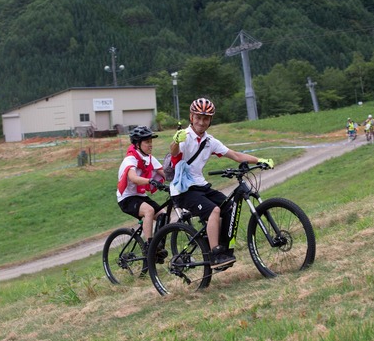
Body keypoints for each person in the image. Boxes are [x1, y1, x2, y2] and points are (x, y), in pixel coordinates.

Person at [169, 98, 273, 269]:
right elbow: (174, 152)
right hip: (183, 189)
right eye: (198, 118)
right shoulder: (185, 137)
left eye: (206, 118)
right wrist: (175, 141)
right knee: (214, 210)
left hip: (200, 185)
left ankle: (223, 249)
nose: (201, 122)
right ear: (191, 117)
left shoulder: (210, 141)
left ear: (210, 121)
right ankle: (215, 254)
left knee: (229, 207)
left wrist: (259, 160)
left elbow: (236, 156)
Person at [117, 126, 166, 254]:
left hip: (140, 196)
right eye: (147, 142)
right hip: (127, 198)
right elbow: (133, 178)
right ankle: (149, 246)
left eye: (151, 141)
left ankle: (158, 245)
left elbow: (165, 173)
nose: (151, 145)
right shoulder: (130, 159)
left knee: (163, 215)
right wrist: (150, 181)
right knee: (149, 210)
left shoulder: (149, 158)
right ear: (138, 144)